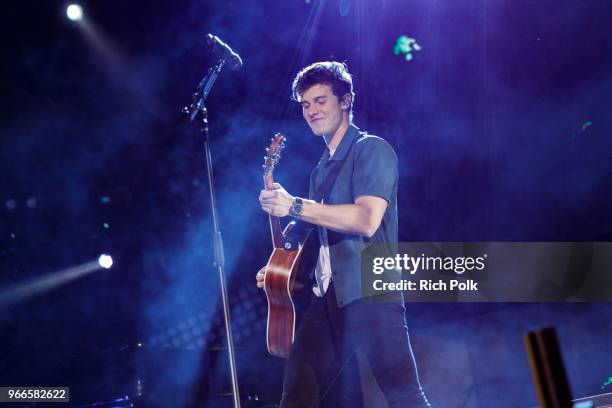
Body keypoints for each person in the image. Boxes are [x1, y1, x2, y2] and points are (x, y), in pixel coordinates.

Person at [257, 61, 430, 407]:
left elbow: (366, 219)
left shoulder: (372, 149)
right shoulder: (319, 170)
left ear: (346, 100)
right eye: (305, 104)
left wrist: (294, 205)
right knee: (296, 397)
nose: (312, 111)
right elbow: (308, 233)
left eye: (321, 100)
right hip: (328, 300)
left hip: (371, 293)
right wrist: (277, 266)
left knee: (405, 398)